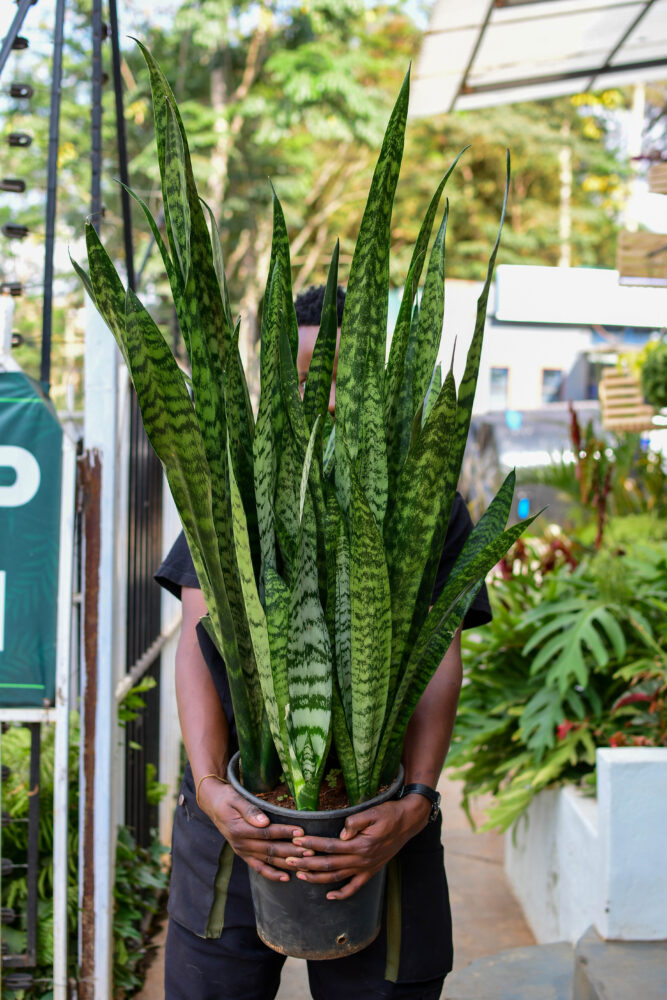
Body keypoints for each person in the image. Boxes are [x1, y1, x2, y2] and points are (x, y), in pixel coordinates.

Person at [155, 285, 492, 1000]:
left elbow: (439, 662)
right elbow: (197, 637)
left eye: (344, 380)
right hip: (238, 808)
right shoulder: (242, 484)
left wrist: (418, 801)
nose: (326, 400)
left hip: (380, 821)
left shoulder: (421, 498)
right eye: (309, 379)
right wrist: (213, 789)